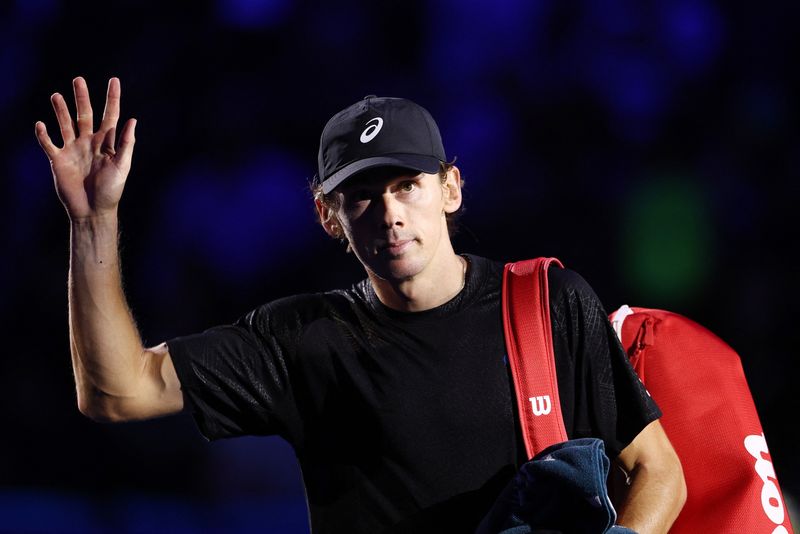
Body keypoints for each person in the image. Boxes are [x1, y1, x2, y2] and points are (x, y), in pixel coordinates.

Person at [36, 77, 686, 533]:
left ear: (451, 189)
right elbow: (117, 392)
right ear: (328, 216)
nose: (391, 214)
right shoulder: (301, 338)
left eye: (409, 186)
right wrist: (94, 221)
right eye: (364, 196)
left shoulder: (546, 303)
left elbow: (658, 472)